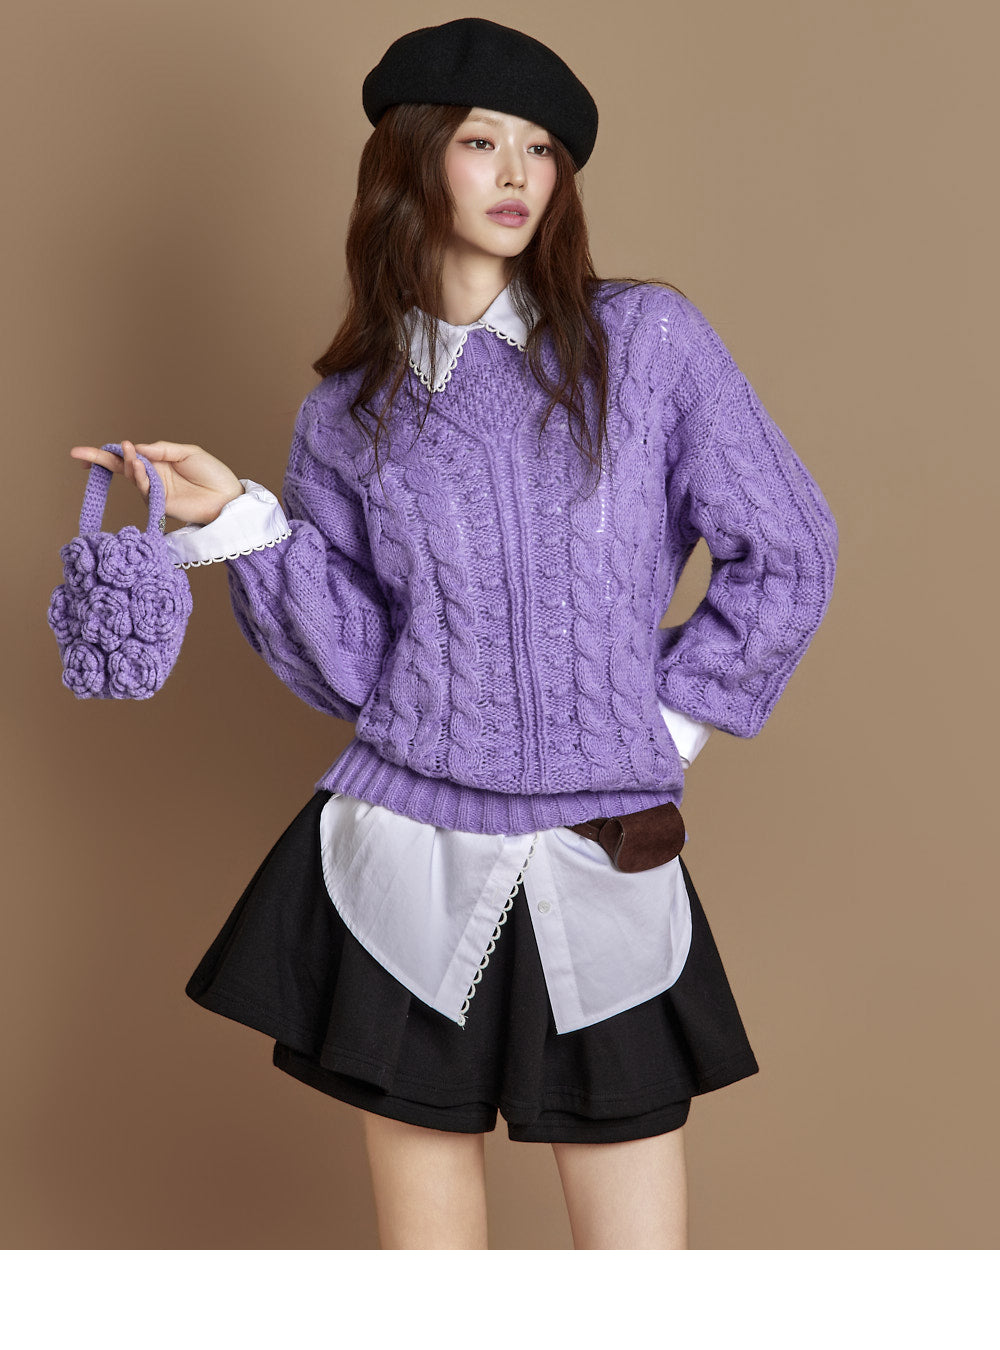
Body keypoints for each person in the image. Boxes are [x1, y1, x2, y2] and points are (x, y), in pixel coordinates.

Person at [68, 18, 838, 1249]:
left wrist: (665, 724)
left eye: (542, 148)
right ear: (410, 160)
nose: (519, 173)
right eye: (483, 142)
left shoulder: (646, 344)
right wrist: (238, 525)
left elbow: (787, 546)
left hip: (601, 847)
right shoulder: (348, 413)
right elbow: (360, 672)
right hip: (404, 856)